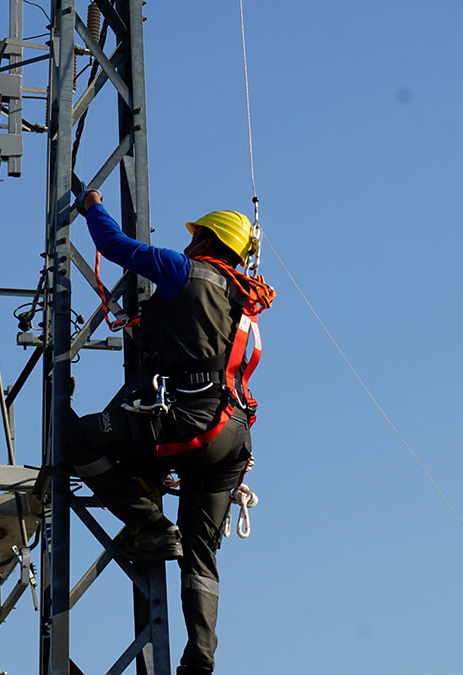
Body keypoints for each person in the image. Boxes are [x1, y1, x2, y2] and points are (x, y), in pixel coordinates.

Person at [64, 189, 275, 675]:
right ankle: (200, 661)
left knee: (76, 440)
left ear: (206, 239)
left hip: (192, 422)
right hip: (234, 436)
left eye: (196, 235)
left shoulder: (185, 271)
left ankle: (154, 526)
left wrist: (92, 205)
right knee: (201, 557)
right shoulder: (245, 298)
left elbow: (116, 246)